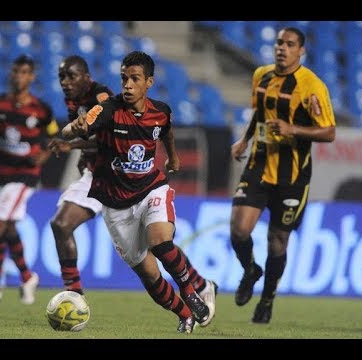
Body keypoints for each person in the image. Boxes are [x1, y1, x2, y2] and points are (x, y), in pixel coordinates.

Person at [61, 51, 216, 333]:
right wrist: (74, 127)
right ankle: (184, 314)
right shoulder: (108, 109)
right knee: (149, 274)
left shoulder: (161, 111)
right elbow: (77, 127)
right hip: (115, 204)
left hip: (151, 188)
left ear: (149, 82)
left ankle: (189, 291)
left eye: (135, 79)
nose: (128, 85)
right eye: (124, 79)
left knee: (160, 241)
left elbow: (165, 130)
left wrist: (173, 157)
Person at [230, 27, 336, 324]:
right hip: (259, 164)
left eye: (289, 44)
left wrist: (293, 129)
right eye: (279, 42)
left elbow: (329, 132)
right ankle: (250, 270)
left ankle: (267, 299)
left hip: (293, 176)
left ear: (300, 50)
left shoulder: (312, 86)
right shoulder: (261, 75)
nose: (282, 48)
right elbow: (259, 113)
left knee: (277, 240)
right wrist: (244, 139)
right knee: (239, 231)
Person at [0, 54, 60, 304]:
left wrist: (43, 155)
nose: (19, 76)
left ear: (31, 76)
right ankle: (27, 276)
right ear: (11, 74)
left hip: (24, 176)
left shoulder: (42, 110)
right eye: (15, 71)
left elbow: (56, 139)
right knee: (7, 228)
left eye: (24, 72)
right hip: (0, 173)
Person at [47, 55, 113, 296]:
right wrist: (84, 156)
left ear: (87, 77)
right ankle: (74, 294)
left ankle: (200, 286)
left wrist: (71, 146)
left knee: (151, 250)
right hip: (96, 175)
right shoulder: (73, 101)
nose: (65, 82)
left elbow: (112, 140)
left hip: (120, 176)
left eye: (71, 76)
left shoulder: (101, 97)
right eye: (61, 77)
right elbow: (88, 138)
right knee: (61, 224)